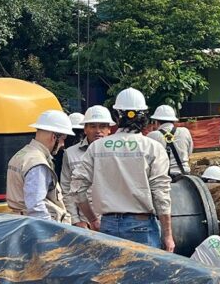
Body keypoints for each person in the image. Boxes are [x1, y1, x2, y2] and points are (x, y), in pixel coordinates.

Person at [70, 88, 174, 252]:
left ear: (117, 116)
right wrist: (168, 235)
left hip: (108, 226)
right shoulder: (152, 147)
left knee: (111, 276)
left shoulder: (97, 147)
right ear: (144, 115)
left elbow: (77, 188)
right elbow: (161, 193)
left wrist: (93, 219)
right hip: (142, 227)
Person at [6, 110, 74, 223]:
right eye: (63, 139)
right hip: (36, 227)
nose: (63, 144)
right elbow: (36, 206)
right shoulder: (37, 163)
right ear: (54, 137)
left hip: (22, 221)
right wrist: (48, 231)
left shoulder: (22, 154)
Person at [61, 105, 114, 228]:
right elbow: (67, 190)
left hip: (113, 221)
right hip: (85, 223)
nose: (98, 131)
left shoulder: (119, 153)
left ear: (109, 129)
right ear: (85, 129)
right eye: (93, 126)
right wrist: (75, 220)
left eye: (102, 126)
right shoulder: (70, 153)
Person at [147, 104, 194, 177]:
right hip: (184, 175)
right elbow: (189, 153)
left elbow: (148, 160)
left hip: (162, 177)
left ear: (156, 122)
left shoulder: (152, 136)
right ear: (174, 121)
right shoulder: (185, 131)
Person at [54, 112, 85, 184]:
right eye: (73, 134)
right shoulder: (57, 155)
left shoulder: (90, 153)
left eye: (81, 133)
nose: (78, 138)